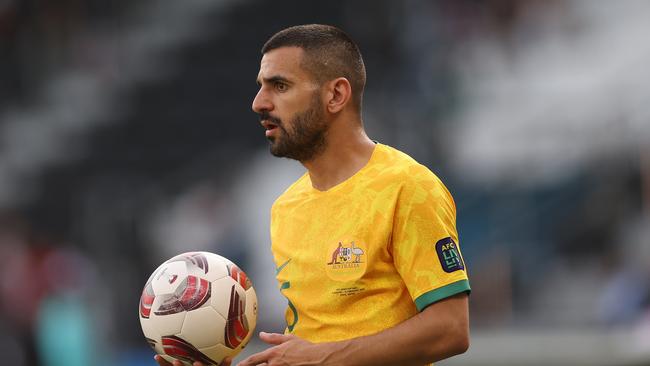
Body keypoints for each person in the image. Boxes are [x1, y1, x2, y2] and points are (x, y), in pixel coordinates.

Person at [157, 23, 470, 366]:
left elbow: (451, 327)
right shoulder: (286, 207)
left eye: (280, 86)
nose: (259, 103)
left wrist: (325, 357)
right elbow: (308, 349)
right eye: (261, 87)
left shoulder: (407, 186)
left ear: (335, 95)